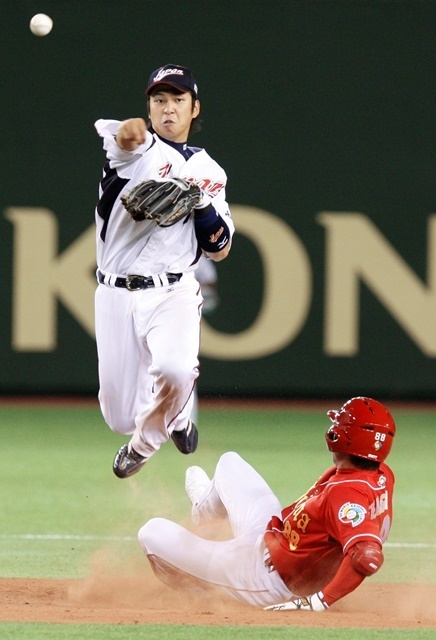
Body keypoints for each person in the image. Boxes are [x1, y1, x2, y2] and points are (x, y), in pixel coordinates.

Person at [93, 64, 234, 479]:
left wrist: (201, 202)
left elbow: (220, 248)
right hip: (115, 293)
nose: (168, 109)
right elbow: (123, 140)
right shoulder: (137, 153)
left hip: (173, 290)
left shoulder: (210, 172)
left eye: (178, 100)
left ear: (194, 109)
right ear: (149, 108)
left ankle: (144, 444)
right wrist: (131, 133)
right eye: (159, 100)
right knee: (118, 416)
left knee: (175, 369)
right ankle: (173, 417)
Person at [138, 397, 396, 610]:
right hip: (271, 538)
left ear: (345, 438)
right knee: (230, 463)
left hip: (263, 579)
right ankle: (204, 517)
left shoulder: (347, 496)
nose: (334, 427)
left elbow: (367, 557)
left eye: (340, 424)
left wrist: (319, 601)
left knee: (151, 533)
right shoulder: (380, 473)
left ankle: (212, 595)